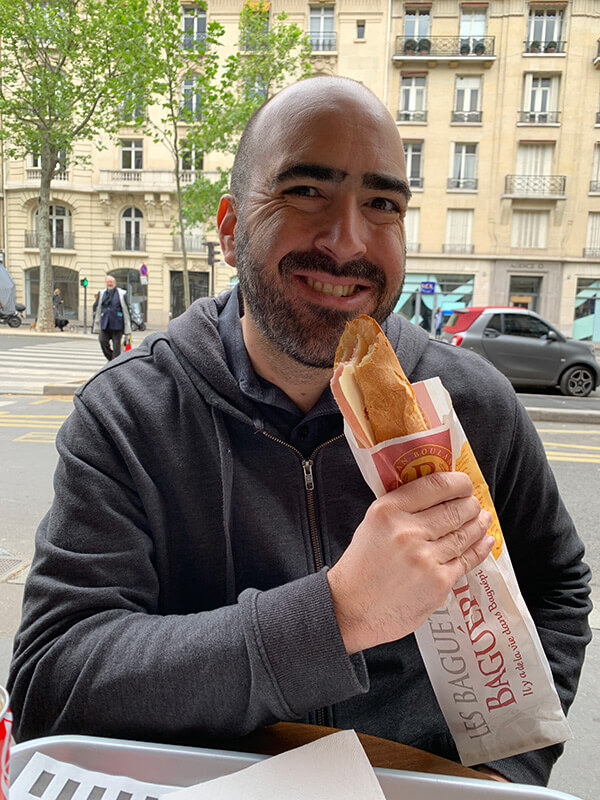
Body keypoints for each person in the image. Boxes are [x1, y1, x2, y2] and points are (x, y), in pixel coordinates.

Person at [8, 77, 591, 786]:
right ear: (228, 230)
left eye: (382, 204)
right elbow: (52, 684)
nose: (348, 240)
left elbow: (555, 586)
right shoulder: (129, 416)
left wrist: (507, 770)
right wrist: (337, 612)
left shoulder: (476, 403)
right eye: (306, 192)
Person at [92, 275, 132, 360]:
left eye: (111, 282)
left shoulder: (121, 293)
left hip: (117, 324)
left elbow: (127, 309)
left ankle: (115, 363)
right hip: (105, 323)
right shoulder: (102, 293)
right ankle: (112, 360)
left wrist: (128, 325)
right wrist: (96, 320)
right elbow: (97, 307)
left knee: (116, 346)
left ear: (115, 283)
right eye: (108, 282)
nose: (110, 284)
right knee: (102, 341)